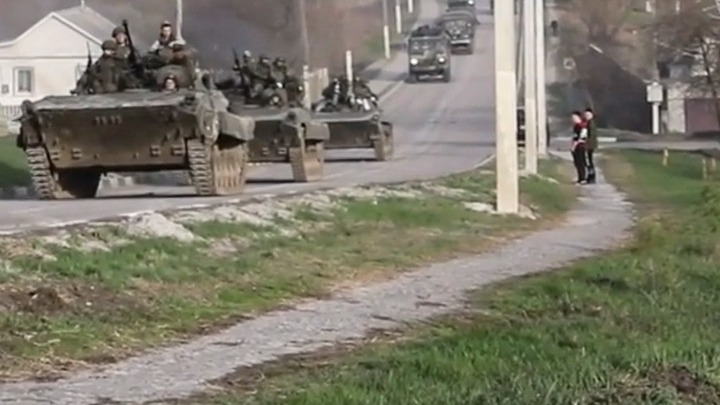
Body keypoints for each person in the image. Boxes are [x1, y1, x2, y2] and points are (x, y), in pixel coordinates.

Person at [571, 111, 588, 185]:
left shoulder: (581, 126)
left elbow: (580, 137)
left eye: (574, 117)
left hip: (580, 146)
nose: (573, 119)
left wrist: (574, 146)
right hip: (577, 145)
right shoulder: (576, 126)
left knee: (580, 162)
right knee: (577, 163)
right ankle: (580, 178)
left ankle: (582, 178)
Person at [583, 108, 597, 184]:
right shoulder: (589, 123)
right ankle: (591, 176)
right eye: (586, 115)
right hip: (590, 145)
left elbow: (591, 136)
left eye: (588, 115)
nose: (587, 116)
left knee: (589, 162)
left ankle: (591, 177)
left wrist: (587, 145)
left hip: (590, 145)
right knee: (590, 161)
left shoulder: (590, 124)